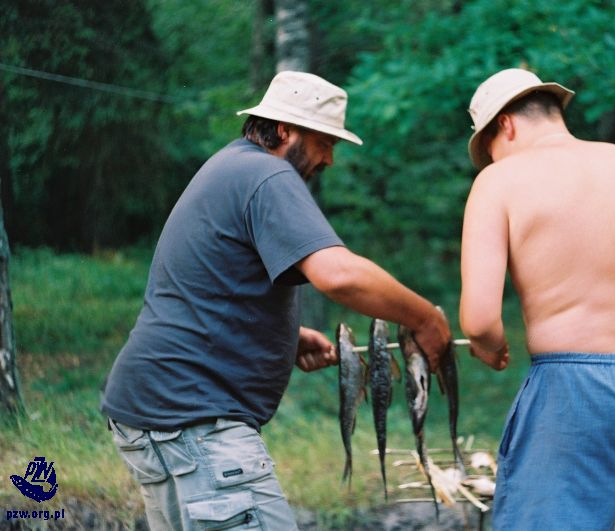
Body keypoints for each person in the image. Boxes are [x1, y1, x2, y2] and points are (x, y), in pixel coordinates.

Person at [100, 71, 450, 530]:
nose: (328, 159)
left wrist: (283, 337)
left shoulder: (233, 166)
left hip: (158, 413)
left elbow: (210, 283)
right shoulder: (268, 173)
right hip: (195, 421)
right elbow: (338, 275)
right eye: (325, 142)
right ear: (284, 131)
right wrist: (425, 318)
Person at [459, 68, 615, 530]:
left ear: (506, 126)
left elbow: (479, 320)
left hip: (578, 392)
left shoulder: (500, 182)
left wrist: (490, 346)